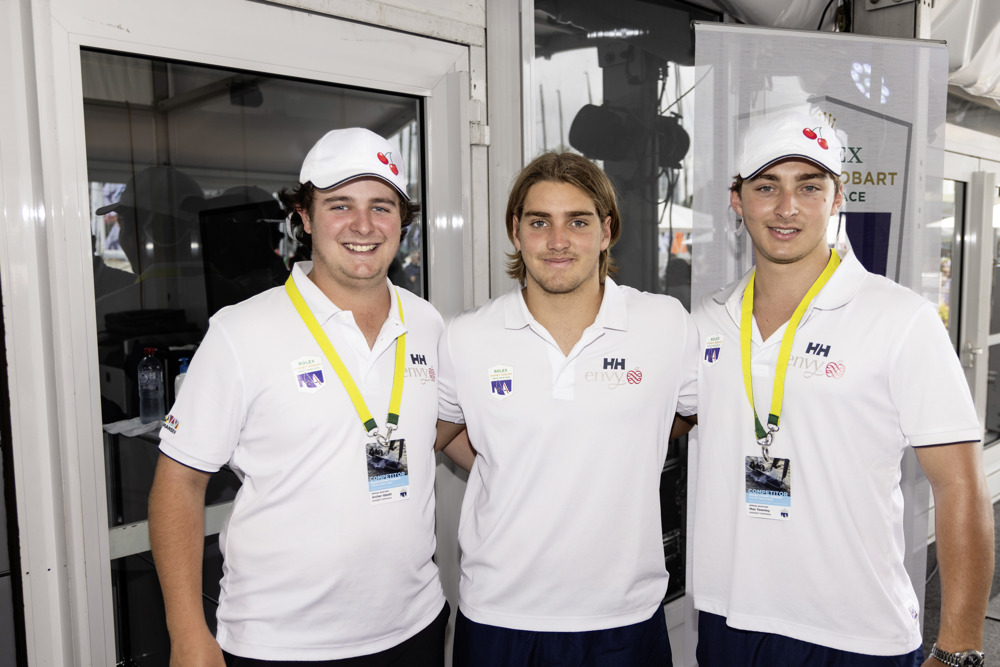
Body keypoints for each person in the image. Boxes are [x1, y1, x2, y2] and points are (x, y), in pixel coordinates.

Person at [690, 109, 993, 667]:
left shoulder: (900, 318)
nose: (787, 207)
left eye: (809, 186)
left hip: (857, 634)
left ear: (836, 199)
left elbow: (960, 485)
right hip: (730, 619)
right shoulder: (706, 319)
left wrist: (958, 647)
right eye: (766, 187)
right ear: (737, 200)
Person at [148, 127, 449, 666]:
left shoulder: (426, 322)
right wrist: (187, 632)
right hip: (282, 643)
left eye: (381, 207)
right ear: (305, 217)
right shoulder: (241, 332)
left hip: (415, 625)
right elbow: (179, 484)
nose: (363, 226)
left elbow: (435, 430)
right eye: (340, 205)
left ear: (402, 221)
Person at [435, 152, 699, 666]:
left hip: (623, 615)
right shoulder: (467, 336)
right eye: (540, 222)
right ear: (516, 232)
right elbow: (442, 433)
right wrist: (506, 459)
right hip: (500, 615)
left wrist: (622, 442)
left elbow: (688, 412)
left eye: (577, 222)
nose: (558, 241)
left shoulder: (664, 323)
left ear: (606, 231)